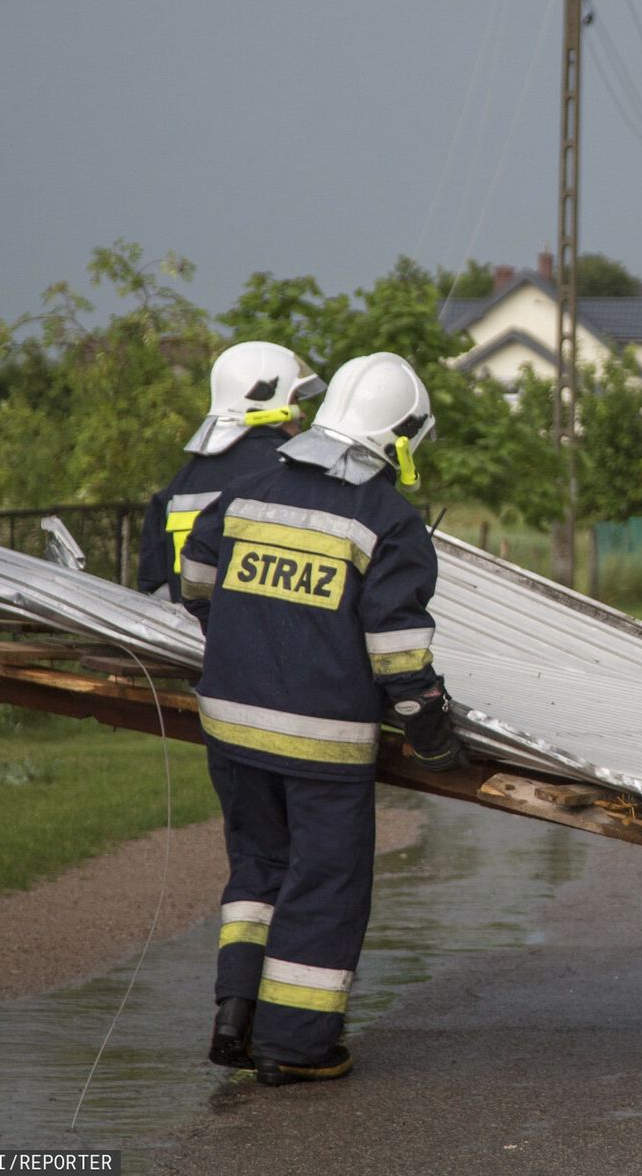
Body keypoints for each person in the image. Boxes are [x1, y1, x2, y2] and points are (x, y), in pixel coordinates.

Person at [179, 352, 461, 1086]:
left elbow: (196, 581)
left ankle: (235, 1014)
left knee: (258, 870)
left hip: (230, 726)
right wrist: (429, 725)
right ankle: (296, 1045)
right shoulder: (387, 519)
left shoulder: (249, 487)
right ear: (398, 436)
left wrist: (251, 639)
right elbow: (398, 652)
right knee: (325, 881)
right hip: (321, 742)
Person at [138, 341, 325, 599]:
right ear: (264, 398)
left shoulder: (179, 485)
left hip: (190, 634)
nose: (301, 414)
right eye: (294, 400)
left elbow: (155, 591)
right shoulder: (297, 475)